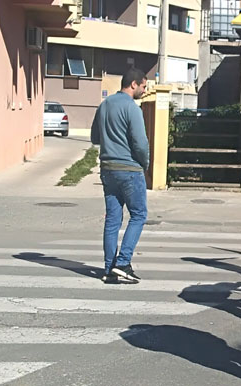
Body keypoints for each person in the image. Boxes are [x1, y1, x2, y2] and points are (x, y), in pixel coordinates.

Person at [91, 67, 149, 284]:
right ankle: (123, 263)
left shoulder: (104, 105)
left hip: (107, 169)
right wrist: (145, 163)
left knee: (113, 220)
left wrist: (111, 140)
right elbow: (140, 143)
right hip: (129, 169)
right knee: (139, 215)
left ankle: (109, 269)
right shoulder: (132, 108)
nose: (144, 90)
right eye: (143, 86)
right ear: (133, 84)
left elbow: (95, 137)